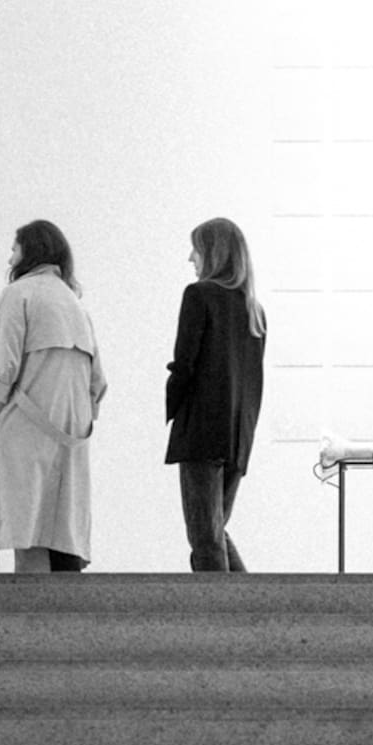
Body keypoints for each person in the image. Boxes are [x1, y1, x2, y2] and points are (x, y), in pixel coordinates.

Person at [0, 220, 106, 572]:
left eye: (15, 247)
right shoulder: (75, 304)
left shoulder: (18, 294)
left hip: (19, 425)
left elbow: (3, 365)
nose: (10, 256)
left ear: (30, 250)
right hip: (67, 434)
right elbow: (98, 383)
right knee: (57, 525)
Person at [164, 216, 266, 572]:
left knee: (204, 539)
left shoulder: (199, 295)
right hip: (237, 438)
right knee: (214, 532)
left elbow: (185, 364)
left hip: (201, 433)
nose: (191, 258)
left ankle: (223, 621)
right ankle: (251, 611)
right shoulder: (254, 311)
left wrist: (172, 407)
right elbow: (254, 382)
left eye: (196, 249)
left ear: (212, 252)